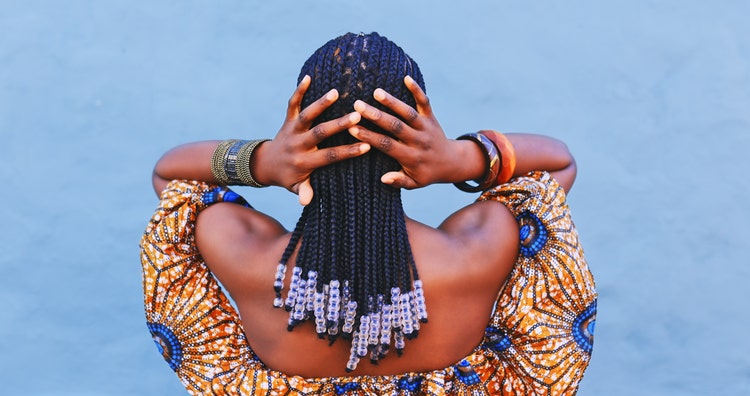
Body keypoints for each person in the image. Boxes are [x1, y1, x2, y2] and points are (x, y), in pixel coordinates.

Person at [140, 32, 596, 395]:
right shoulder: (477, 251)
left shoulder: (247, 258)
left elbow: (170, 176)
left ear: (300, 130)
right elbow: (558, 162)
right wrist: (460, 158)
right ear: (420, 134)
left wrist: (263, 161)